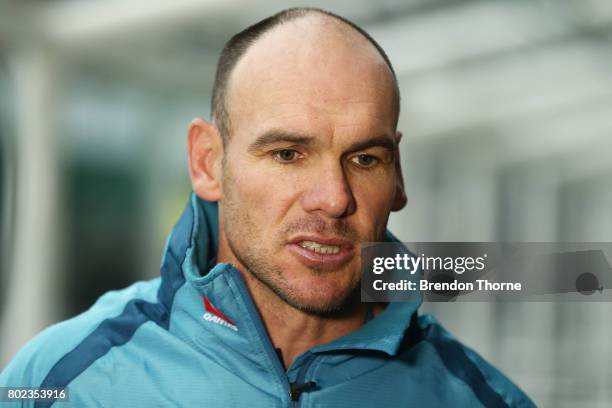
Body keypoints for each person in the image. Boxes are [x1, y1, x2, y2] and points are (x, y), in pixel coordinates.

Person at [1, 7, 535, 407]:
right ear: (208, 162)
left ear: (397, 177)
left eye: (365, 158)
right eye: (288, 153)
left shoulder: (480, 399)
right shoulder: (59, 380)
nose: (334, 197)